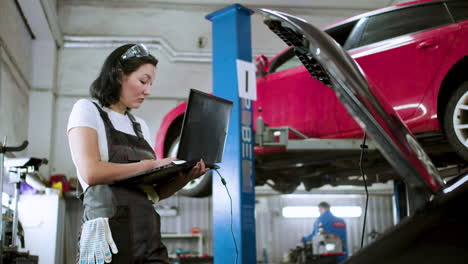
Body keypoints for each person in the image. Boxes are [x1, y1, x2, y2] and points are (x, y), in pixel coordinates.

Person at [67, 43, 208, 264]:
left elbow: (152, 193)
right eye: (143, 81)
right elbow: (91, 172)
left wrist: (185, 178)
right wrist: (151, 165)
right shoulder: (87, 110)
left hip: (148, 233)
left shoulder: (139, 125)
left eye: (151, 84)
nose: (148, 91)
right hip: (111, 234)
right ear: (118, 75)